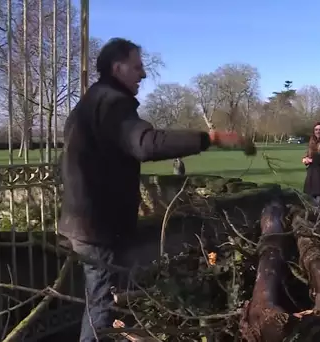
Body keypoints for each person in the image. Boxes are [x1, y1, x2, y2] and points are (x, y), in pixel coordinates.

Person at [58, 38, 245, 341]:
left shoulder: (89, 103)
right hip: (97, 228)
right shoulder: (113, 104)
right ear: (117, 68)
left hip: (82, 223)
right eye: (137, 67)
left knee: (101, 300)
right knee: (100, 309)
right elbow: (146, 144)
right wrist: (209, 138)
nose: (143, 74)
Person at [302, 122, 320, 204]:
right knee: (311, 200)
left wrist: (311, 160)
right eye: (316, 130)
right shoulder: (312, 142)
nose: (318, 131)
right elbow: (309, 155)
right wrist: (305, 159)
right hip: (311, 174)